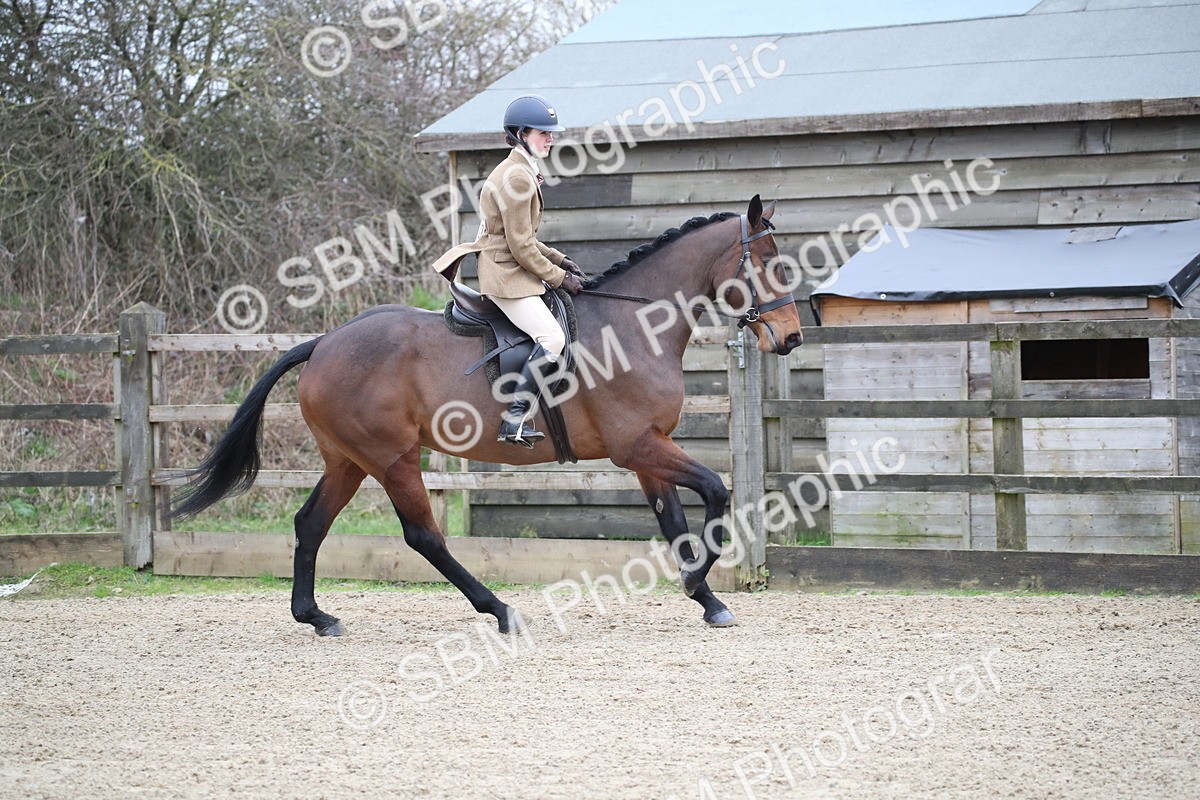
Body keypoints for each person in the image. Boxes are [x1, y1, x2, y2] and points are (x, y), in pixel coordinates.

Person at [432, 94, 585, 448]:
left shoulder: (519, 171)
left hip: (511, 267)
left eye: (551, 133)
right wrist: (560, 278)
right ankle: (514, 419)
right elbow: (520, 247)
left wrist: (560, 259)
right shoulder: (516, 178)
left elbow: (523, 237)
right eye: (542, 133)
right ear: (519, 134)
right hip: (506, 278)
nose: (550, 139)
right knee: (553, 338)